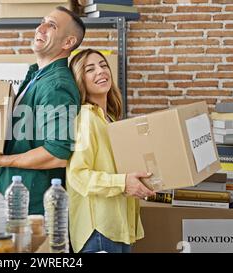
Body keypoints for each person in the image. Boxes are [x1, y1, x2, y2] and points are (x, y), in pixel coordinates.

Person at [0, 7, 86, 215]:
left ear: (68, 43)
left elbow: (58, 154)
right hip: (10, 195)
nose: (41, 28)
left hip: (30, 205)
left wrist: (2, 160)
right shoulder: (37, 76)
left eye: (52, 25)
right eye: (43, 21)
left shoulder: (56, 86)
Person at [67, 49, 156, 253]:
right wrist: (124, 182)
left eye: (103, 65)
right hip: (99, 230)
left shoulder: (110, 120)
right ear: (80, 80)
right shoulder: (86, 118)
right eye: (90, 69)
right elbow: (77, 176)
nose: (100, 71)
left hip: (119, 227)